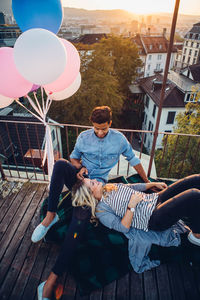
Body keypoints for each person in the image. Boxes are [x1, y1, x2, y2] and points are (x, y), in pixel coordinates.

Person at [32, 106, 150, 299]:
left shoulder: (119, 140)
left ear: (110, 123)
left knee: (81, 219)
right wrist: (80, 167)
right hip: (80, 177)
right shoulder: (84, 137)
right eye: (96, 128)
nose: (100, 132)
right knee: (62, 164)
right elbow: (74, 157)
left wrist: (146, 182)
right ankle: (50, 216)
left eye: (103, 128)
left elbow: (133, 160)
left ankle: (51, 280)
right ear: (92, 125)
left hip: (97, 186)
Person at [72, 174, 200, 272]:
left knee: (195, 179)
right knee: (193, 196)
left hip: (155, 199)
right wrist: (131, 206)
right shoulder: (102, 211)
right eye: (92, 183)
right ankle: (196, 236)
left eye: (92, 180)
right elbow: (123, 228)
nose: (96, 180)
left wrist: (152, 184)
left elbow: (132, 187)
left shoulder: (109, 187)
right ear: (90, 195)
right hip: (153, 218)